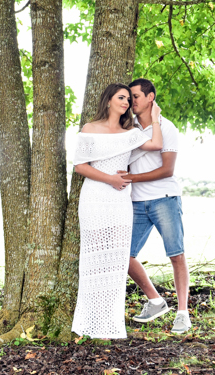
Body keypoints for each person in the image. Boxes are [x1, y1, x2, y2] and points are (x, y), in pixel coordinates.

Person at [70, 83, 163, 339]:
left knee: (117, 260)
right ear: (109, 100)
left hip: (120, 202)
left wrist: (154, 119)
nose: (126, 103)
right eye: (121, 98)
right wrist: (109, 179)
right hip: (95, 199)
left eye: (128, 99)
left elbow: (156, 144)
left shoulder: (130, 132)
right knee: (93, 261)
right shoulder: (90, 129)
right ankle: (89, 322)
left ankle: (110, 323)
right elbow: (80, 166)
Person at [125, 78, 191, 335]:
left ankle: (183, 314)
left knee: (176, 255)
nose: (132, 101)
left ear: (150, 97)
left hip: (165, 197)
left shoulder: (167, 128)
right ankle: (155, 301)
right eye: (129, 97)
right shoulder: (128, 129)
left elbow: (167, 169)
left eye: (136, 96)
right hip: (136, 202)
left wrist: (131, 178)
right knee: (123, 255)